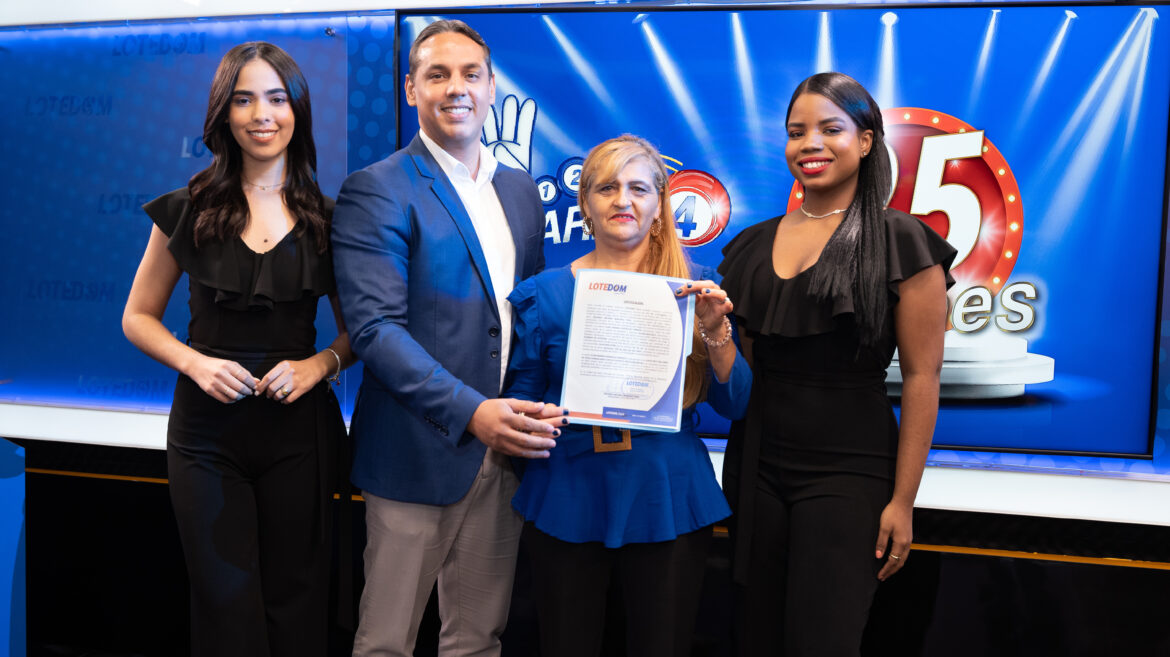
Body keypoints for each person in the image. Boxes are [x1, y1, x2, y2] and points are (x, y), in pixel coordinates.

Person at [330, 19, 563, 657]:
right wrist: (474, 413)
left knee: (478, 640)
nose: (456, 87)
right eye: (437, 74)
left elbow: (528, 315)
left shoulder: (519, 190)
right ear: (411, 89)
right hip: (414, 452)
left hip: (506, 451)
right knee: (386, 643)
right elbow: (376, 331)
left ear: (491, 87)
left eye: (470, 74)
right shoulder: (377, 189)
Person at [122, 42, 353, 657]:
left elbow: (361, 330)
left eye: (276, 98)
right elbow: (137, 318)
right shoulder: (187, 209)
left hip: (299, 434)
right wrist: (194, 363)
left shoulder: (332, 220)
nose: (262, 114)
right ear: (224, 113)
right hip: (206, 437)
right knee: (225, 607)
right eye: (244, 100)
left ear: (297, 110)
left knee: (297, 603)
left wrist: (318, 365)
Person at [717, 72, 956, 656]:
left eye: (830, 129)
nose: (810, 144)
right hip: (755, 467)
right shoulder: (752, 245)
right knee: (754, 638)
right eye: (797, 132)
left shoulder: (902, 241)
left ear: (866, 141)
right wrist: (710, 333)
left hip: (850, 474)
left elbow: (922, 378)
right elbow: (740, 378)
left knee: (822, 641)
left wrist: (903, 501)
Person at [504, 135, 751, 657]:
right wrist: (532, 420)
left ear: (659, 205)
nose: (623, 200)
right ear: (585, 204)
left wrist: (716, 332)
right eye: (607, 188)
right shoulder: (545, 293)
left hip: (667, 495)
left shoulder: (697, 288)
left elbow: (736, 404)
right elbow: (519, 404)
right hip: (567, 492)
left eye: (639, 189)